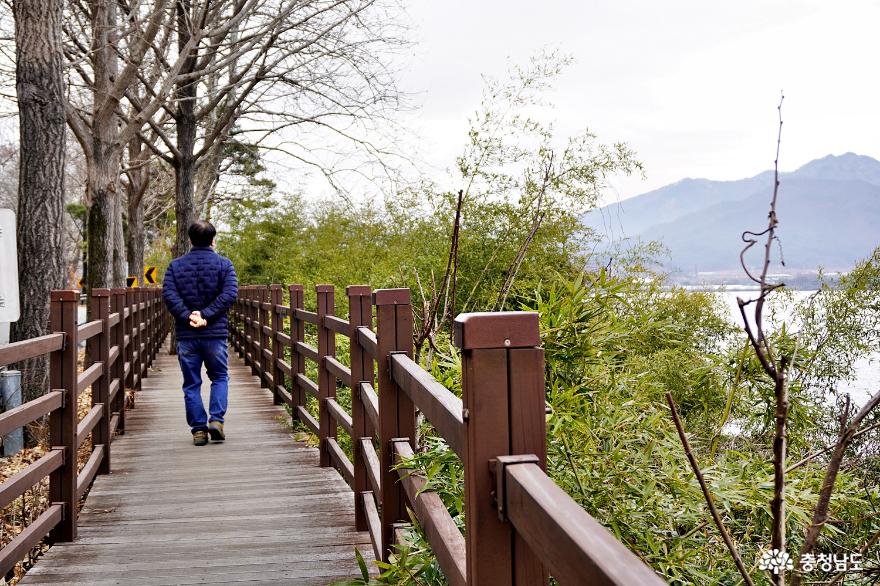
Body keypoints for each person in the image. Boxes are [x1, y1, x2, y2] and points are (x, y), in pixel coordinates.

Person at [162, 220, 238, 446]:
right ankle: (216, 419)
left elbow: (169, 295)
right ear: (213, 240)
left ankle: (198, 430)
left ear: (190, 240)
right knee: (220, 377)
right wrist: (206, 315)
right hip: (214, 334)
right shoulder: (225, 265)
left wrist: (189, 316)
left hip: (187, 335)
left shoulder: (175, 266)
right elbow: (229, 294)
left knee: (191, 383)